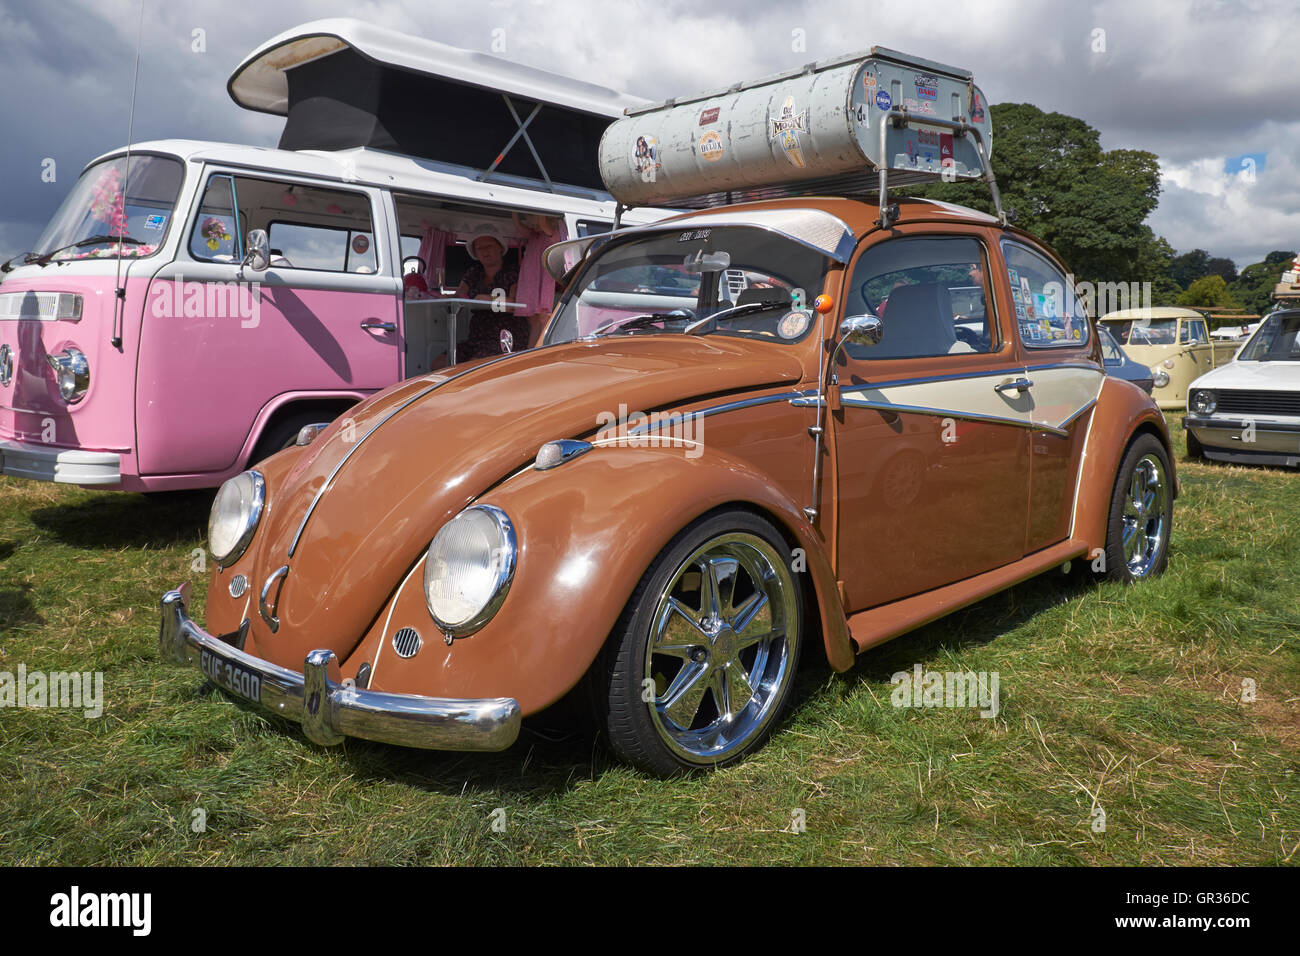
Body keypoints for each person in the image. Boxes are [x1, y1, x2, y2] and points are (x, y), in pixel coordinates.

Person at [452, 232, 530, 360]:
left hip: (505, 338)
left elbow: (513, 304)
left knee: (473, 366)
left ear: (500, 248)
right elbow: (458, 296)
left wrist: (486, 299)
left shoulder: (514, 272)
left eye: (489, 246)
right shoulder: (473, 273)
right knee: (439, 363)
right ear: (475, 253)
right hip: (477, 339)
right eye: (480, 248)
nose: (485, 251)